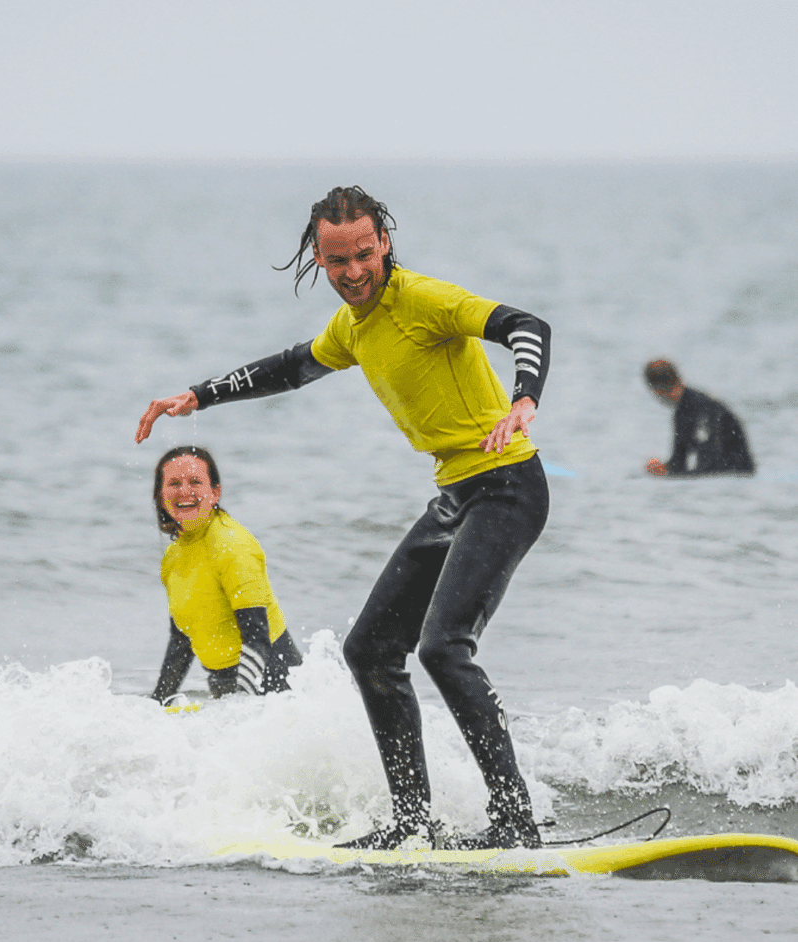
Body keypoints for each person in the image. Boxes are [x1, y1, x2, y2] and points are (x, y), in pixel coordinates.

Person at [136, 186, 551, 851]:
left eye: (363, 254)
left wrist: (524, 400)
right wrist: (198, 396)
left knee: (445, 647)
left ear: (382, 242)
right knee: (371, 651)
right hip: (454, 493)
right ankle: (413, 824)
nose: (353, 272)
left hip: (507, 486)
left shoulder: (423, 299)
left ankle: (515, 823)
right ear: (318, 259)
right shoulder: (353, 328)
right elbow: (292, 368)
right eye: (337, 262)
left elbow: (526, 326)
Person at [150, 445, 301, 704]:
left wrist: (242, 707)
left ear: (215, 492)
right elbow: (182, 641)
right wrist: (156, 705)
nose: (184, 491)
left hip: (275, 679)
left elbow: (257, 639)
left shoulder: (232, 546)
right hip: (224, 683)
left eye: (195, 481)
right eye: (174, 483)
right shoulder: (173, 558)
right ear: (161, 496)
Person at [644, 360, 755, 477]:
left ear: (656, 391)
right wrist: (663, 469)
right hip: (721, 475)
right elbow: (678, 464)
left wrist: (671, 474)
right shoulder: (681, 413)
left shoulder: (704, 408)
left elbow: (711, 464)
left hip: (735, 476)